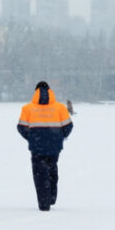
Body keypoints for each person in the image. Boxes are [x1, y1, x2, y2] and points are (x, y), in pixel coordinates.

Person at [17, 81, 73, 211]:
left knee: (40, 174)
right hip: (54, 147)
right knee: (52, 169)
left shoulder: (27, 108)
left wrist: (31, 138)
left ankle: (44, 203)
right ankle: (51, 196)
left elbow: (21, 127)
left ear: (35, 92)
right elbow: (68, 126)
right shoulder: (60, 108)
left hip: (37, 147)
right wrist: (60, 137)